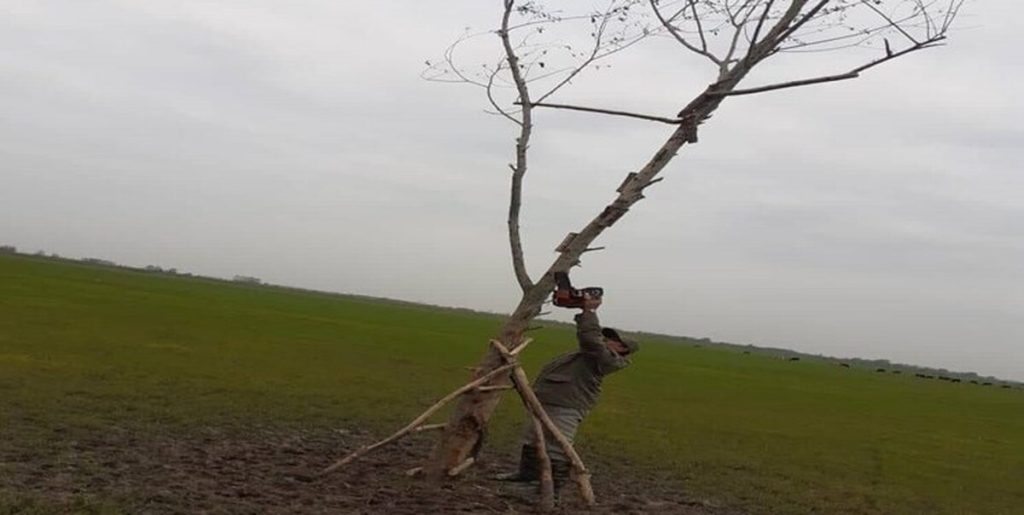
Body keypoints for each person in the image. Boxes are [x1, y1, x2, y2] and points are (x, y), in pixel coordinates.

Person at [496, 295, 639, 488]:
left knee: (556, 446)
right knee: (534, 438)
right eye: (607, 337)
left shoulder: (606, 359)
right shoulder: (591, 355)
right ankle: (527, 475)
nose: (606, 340)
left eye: (612, 339)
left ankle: (551, 489)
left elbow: (590, 340)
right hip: (550, 400)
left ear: (622, 349)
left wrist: (589, 312)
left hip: (566, 405)